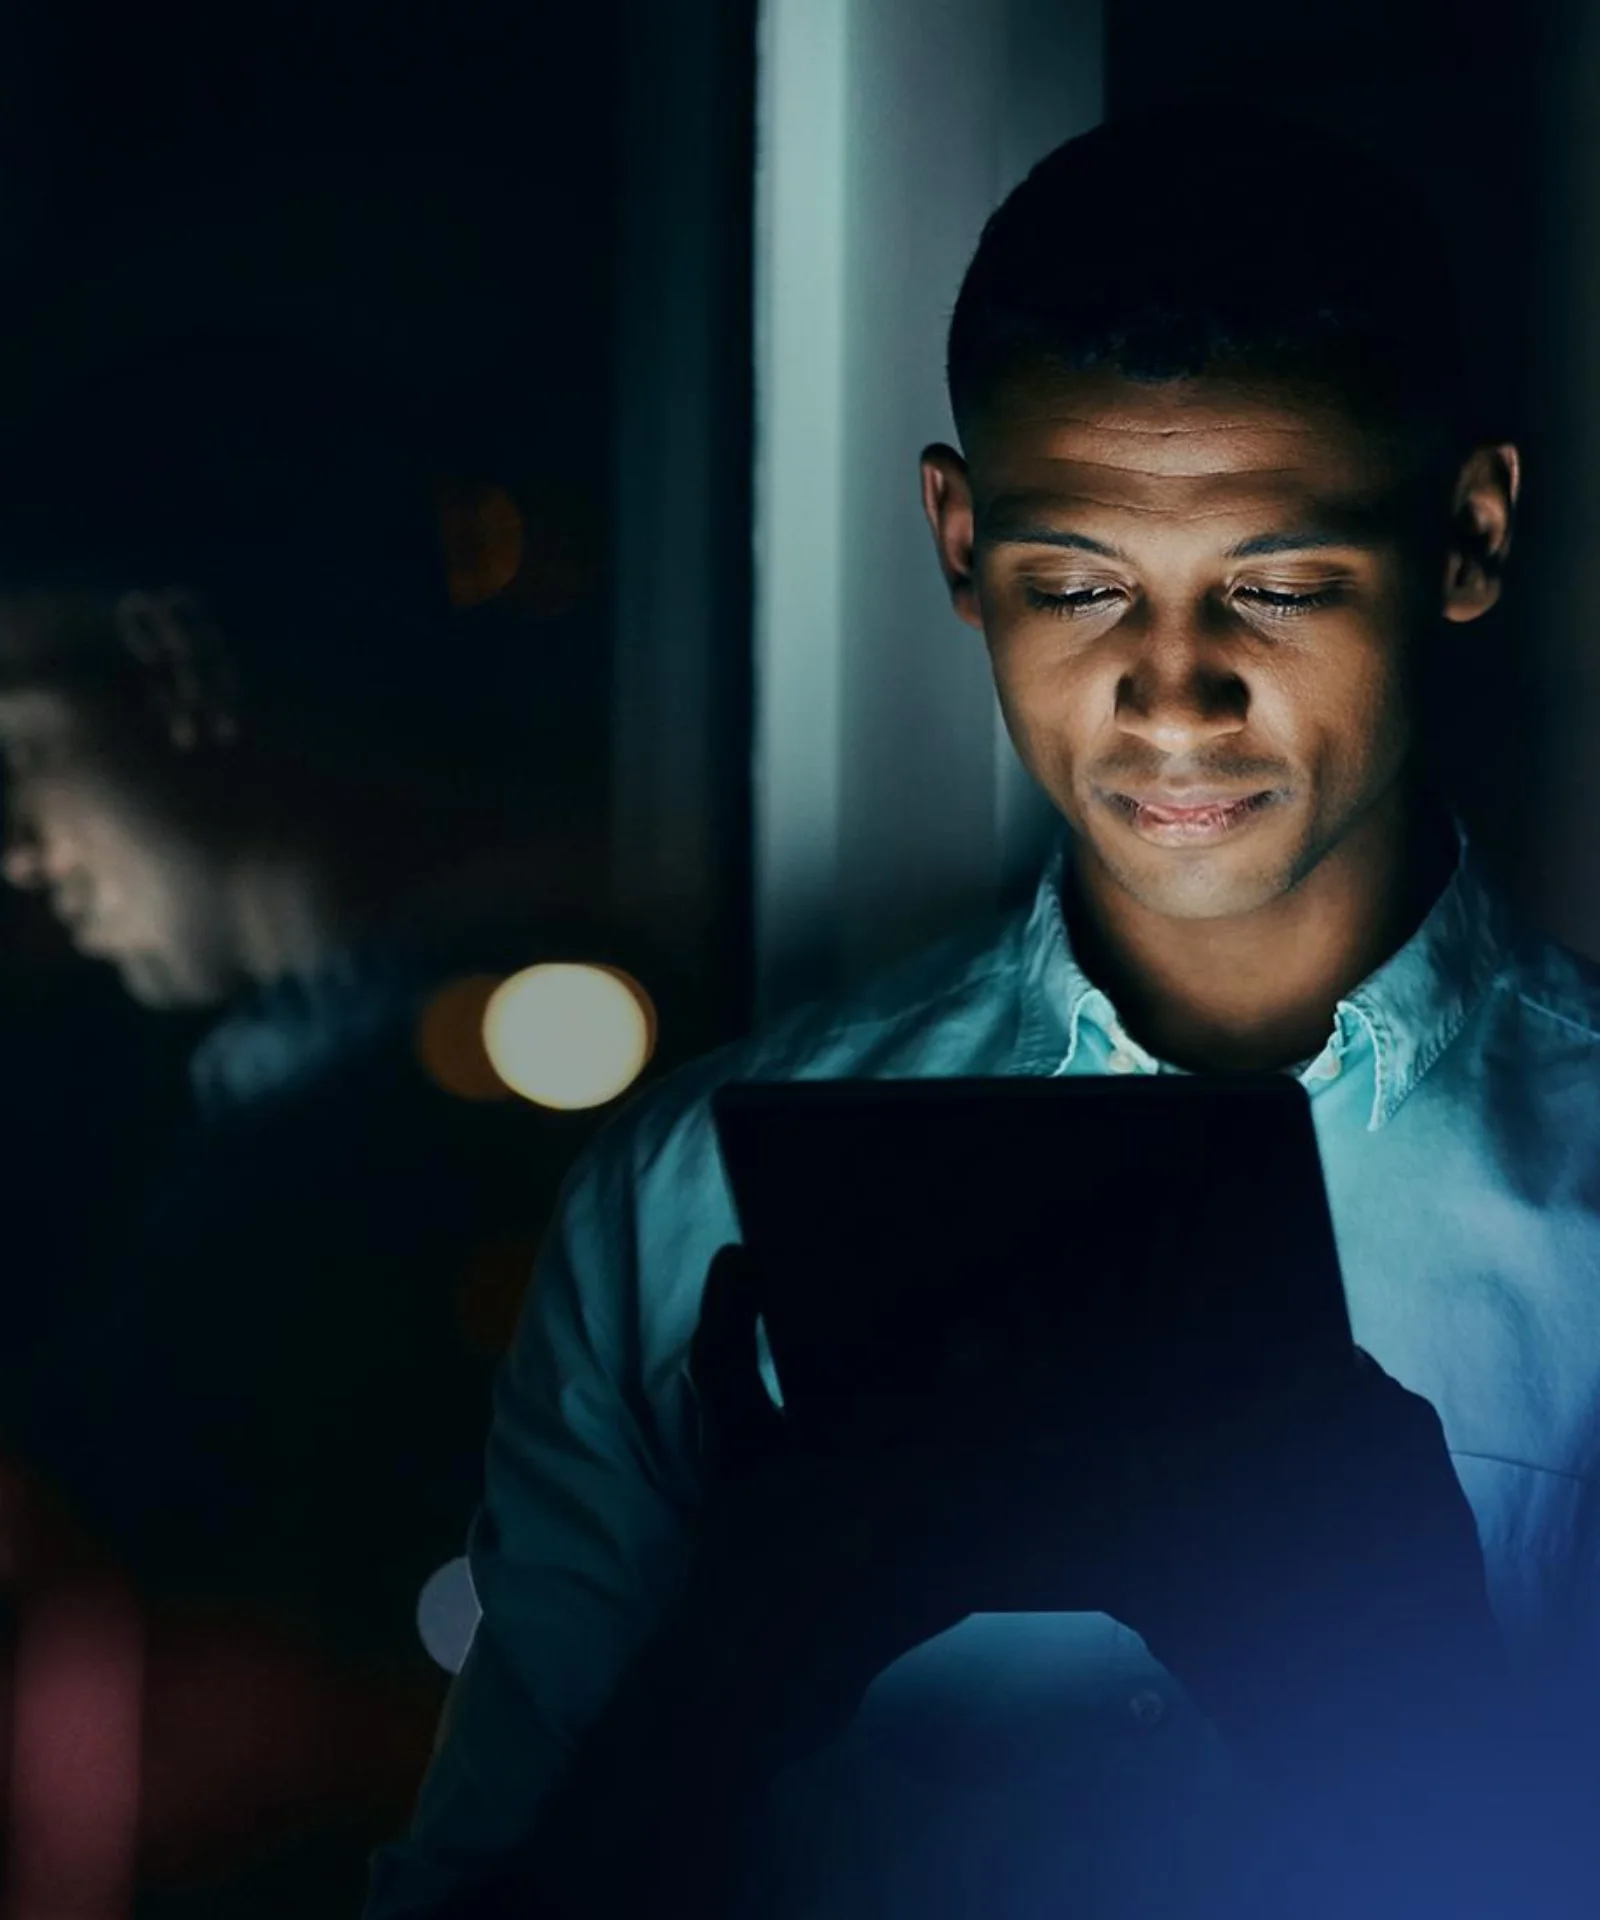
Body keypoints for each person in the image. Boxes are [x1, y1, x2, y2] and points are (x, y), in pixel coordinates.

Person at [368, 108, 1600, 1920]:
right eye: (1078, 584)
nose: (1174, 695)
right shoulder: (686, 1206)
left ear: (1469, 536)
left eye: (1279, 584)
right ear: (957, 541)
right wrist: (743, 1666)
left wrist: (1398, 1710)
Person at [0, 340, 647, 1916]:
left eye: (28, 756)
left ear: (177, 670)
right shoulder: (317, 1086)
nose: (21, 854)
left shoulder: (501, 1082)